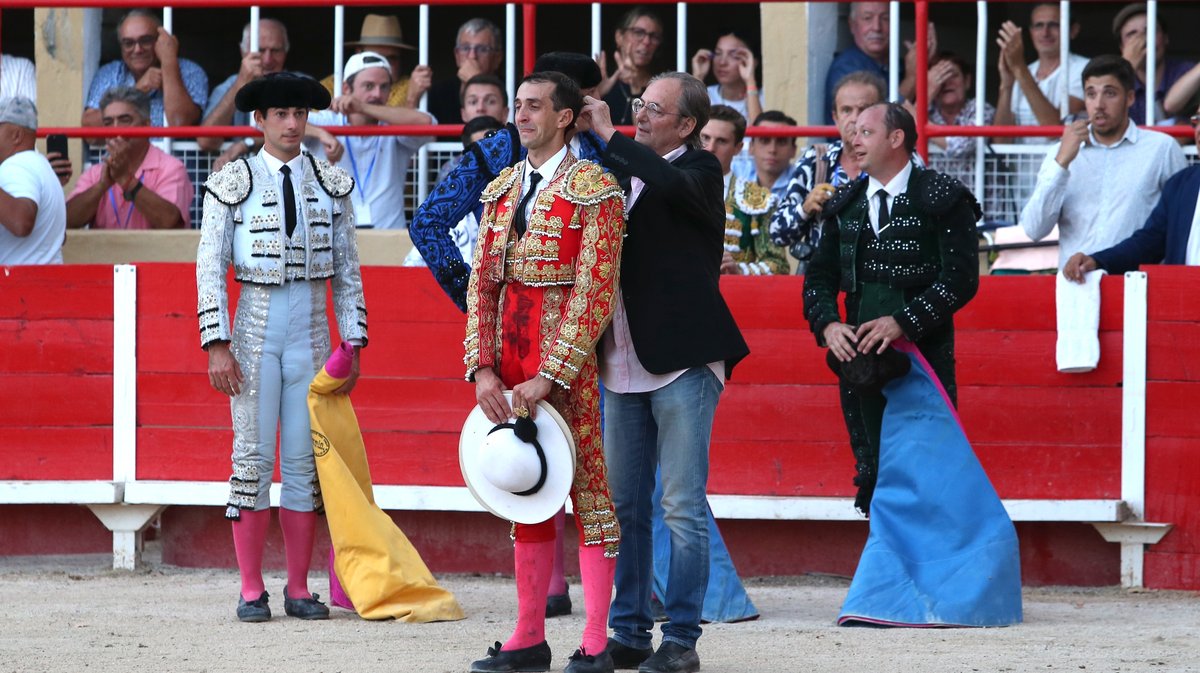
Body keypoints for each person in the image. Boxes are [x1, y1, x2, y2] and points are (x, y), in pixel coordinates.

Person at [580, 72, 750, 673]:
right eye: (638, 105)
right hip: (622, 356)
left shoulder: (702, 172)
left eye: (654, 109)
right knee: (625, 504)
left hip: (681, 360)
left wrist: (609, 136)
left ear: (686, 126)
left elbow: (671, 185)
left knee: (680, 504)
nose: (641, 115)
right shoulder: (619, 171)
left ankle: (681, 639)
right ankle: (628, 630)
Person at [463, 70, 626, 673]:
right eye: (518, 106)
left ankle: (595, 641)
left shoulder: (597, 190)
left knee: (588, 495)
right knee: (523, 490)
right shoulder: (500, 189)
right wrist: (482, 369)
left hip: (569, 367)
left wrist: (554, 373)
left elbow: (595, 292)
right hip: (508, 359)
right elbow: (482, 286)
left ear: (565, 117)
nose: (522, 115)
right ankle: (528, 637)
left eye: (535, 106)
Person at [195, 72, 367, 623]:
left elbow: (346, 270)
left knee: (302, 466)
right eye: (281, 115)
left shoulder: (331, 182)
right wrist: (216, 342)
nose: (293, 124)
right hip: (254, 330)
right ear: (260, 121)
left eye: (299, 113)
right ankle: (250, 590)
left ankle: (297, 588)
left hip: (313, 334)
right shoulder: (231, 181)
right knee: (250, 460)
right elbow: (209, 266)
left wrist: (354, 340)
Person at [803, 102, 980, 516]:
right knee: (873, 464)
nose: (853, 140)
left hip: (925, 358)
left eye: (866, 132)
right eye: (854, 132)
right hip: (860, 361)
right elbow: (819, 278)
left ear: (896, 138)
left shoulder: (942, 196)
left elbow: (962, 279)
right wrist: (829, 325)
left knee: (930, 462)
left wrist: (903, 321)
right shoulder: (844, 203)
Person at [409, 51, 606, 310]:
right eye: (588, 96)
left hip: (581, 314)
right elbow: (427, 223)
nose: (598, 104)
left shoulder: (601, 146)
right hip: (510, 312)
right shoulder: (500, 150)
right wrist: (473, 296)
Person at [1021, 55, 1186, 270]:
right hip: (1077, 286)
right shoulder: (1061, 152)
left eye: (1110, 93)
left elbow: (1180, 225)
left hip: (1137, 285)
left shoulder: (1162, 148)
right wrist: (1061, 162)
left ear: (1130, 98)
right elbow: (1034, 229)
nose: (1099, 104)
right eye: (1091, 94)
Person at [1063, 107, 1200, 281]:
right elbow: (1147, 244)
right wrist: (1097, 261)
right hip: (1182, 302)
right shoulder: (1181, 185)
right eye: (1198, 120)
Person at [771, 72, 885, 275]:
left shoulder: (901, 161)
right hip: (823, 285)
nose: (855, 118)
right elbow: (777, 233)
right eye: (846, 110)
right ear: (835, 117)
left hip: (879, 285)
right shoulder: (815, 160)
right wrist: (805, 207)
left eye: (865, 109)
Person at [305, 52, 436, 230]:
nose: (377, 94)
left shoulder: (394, 124)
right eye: (369, 86)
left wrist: (363, 107)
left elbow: (427, 123)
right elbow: (269, 123)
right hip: (333, 237)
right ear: (346, 89)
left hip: (387, 238)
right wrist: (321, 134)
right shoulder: (329, 121)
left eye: (384, 87)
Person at [67, 87, 191, 230]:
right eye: (108, 123)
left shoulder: (171, 168)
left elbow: (171, 223)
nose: (115, 129)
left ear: (146, 125)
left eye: (124, 120)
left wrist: (128, 182)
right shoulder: (95, 174)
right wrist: (101, 186)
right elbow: (67, 221)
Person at [402, 115, 504, 268]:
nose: (490, 160)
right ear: (467, 158)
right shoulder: (446, 215)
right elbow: (412, 269)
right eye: (482, 152)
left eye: (495, 152)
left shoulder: (526, 204)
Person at [83, 10, 207, 130]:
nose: (137, 49)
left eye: (145, 40)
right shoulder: (110, 73)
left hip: (170, 152)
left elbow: (180, 123)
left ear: (160, 41)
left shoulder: (190, 71)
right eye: (128, 43)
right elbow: (90, 130)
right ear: (120, 47)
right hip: (123, 152)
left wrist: (169, 63)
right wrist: (137, 91)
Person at [702, 105, 787, 276]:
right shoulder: (670, 187)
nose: (711, 147)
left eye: (721, 141)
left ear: (738, 148)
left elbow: (778, 264)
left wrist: (740, 270)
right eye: (705, 137)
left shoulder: (758, 198)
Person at [198, 18, 294, 159]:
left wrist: (247, 143)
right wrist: (242, 82)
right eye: (260, 50)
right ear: (243, 52)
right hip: (242, 177)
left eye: (275, 50)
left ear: (286, 52)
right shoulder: (228, 86)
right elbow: (206, 141)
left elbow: (308, 130)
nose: (268, 60)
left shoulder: (301, 85)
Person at [824, 2, 930, 122]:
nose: (877, 27)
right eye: (867, 18)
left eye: (885, 18)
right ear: (852, 25)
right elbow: (880, 123)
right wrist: (912, 78)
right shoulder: (846, 67)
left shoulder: (895, 64)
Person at [994, 4, 1087, 139]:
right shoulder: (1024, 71)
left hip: (1061, 160)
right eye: (1038, 25)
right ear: (1031, 32)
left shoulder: (1084, 68)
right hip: (1020, 160)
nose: (1045, 33)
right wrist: (1006, 86)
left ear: (1073, 30)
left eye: (1054, 25)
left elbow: (1055, 130)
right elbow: (1000, 142)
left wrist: (1020, 68)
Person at [0, 97, 66, 265]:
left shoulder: (18, 165)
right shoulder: (42, 167)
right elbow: (60, 237)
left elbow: (21, 222)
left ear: (17, 135)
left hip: (22, 286)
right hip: (44, 283)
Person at [320, 14, 430, 112]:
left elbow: (400, 131)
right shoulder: (331, 85)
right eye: (376, 57)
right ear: (359, 53)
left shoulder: (412, 86)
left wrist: (411, 100)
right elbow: (306, 124)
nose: (384, 63)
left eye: (392, 58)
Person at [1112, 3, 1196, 125]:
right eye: (1132, 34)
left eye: (1151, 30)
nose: (1144, 40)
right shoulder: (1111, 78)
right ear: (1122, 47)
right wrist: (1127, 66)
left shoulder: (1185, 71)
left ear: (1166, 38)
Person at [925, 52, 996, 195]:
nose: (946, 82)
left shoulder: (981, 109)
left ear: (967, 81)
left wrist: (922, 125)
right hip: (936, 208)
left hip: (978, 207)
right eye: (939, 77)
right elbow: (901, 137)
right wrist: (927, 92)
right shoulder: (928, 111)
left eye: (953, 75)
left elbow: (961, 145)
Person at [426, 18, 504, 128]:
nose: (472, 56)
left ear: (497, 58)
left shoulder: (510, 88)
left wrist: (476, 80)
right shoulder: (439, 93)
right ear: (457, 56)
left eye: (482, 49)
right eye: (465, 48)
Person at [597, 7, 665, 127]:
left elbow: (645, 134)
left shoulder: (660, 86)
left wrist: (635, 88)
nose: (646, 41)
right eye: (639, 32)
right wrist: (595, 93)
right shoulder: (603, 81)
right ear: (619, 37)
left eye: (654, 36)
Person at [691, 32, 762, 123]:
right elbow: (689, 126)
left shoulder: (764, 97)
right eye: (718, 53)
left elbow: (759, 134)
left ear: (752, 62)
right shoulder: (704, 95)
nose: (722, 62)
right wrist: (698, 77)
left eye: (734, 55)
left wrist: (750, 80)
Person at [740, 110, 797, 199]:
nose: (772, 149)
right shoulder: (734, 175)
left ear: (793, 150)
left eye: (781, 142)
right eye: (764, 140)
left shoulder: (804, 183)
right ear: (751, 147)